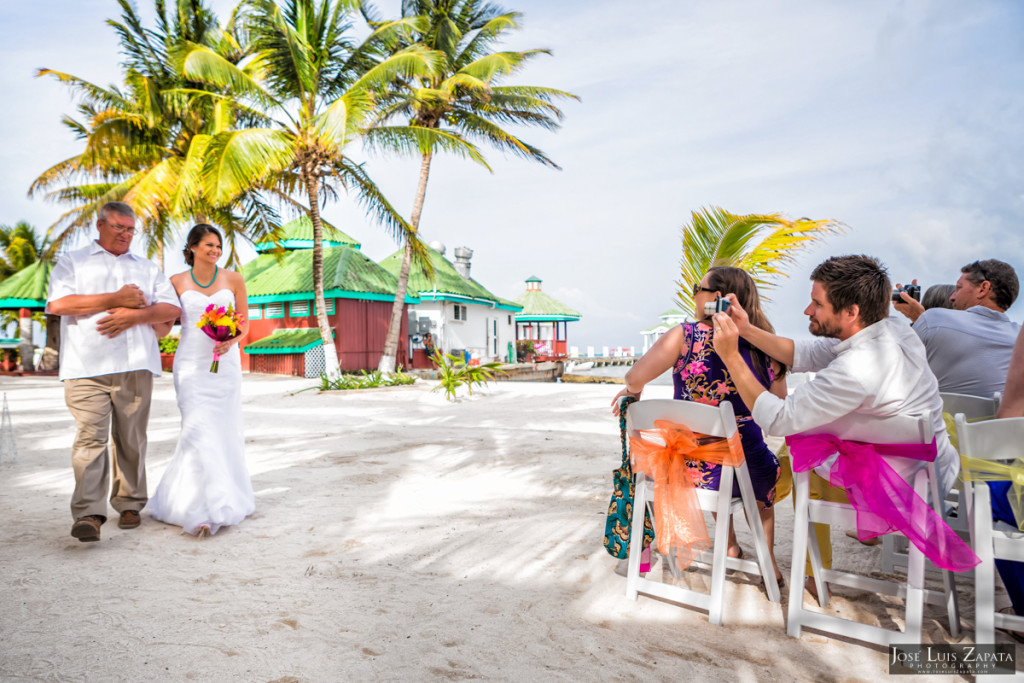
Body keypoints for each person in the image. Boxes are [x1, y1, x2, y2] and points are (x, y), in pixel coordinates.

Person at [711, 254, 960, 596]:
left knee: (804, 451)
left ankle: (780, 522)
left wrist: (730, 356)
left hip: (896, 493)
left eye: (817, 303)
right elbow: (809, 353)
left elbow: (778, 418)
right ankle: (767, 494)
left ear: (851, 312)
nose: (807, 311)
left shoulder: (855, 371)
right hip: (930, 470)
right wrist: (747, 330)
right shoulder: (892, 326)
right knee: (811, 440)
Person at [611, 266, 788, 584]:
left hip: (688, 468)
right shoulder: (766, 345)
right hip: (749, 471)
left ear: (716, 298)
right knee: (745, 465)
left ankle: (652, 559)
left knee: (701, 456)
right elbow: (778, 405)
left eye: (698, 288)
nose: (693, 294)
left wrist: (631, 390)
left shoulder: (686, 336)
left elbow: (633, 377)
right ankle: (767, 562)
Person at [46, 201, 181, 543]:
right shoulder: (72, 261)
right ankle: (89, 514)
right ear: (100, 225)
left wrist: (134, 315)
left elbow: (170, 308)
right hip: (85, 367)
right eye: (119, 227)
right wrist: (114, 299)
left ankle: (131, 503)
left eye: (131, 229)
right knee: (90, 440)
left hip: (135, 364)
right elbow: (58, 304)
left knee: (131, 439)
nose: (126, 234)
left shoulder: (148, 268)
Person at [147, 224, 255, 536]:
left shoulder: (233, 279)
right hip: (191, 366)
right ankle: (204, 506)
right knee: (197, 429)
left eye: (218, 246)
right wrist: (142, 319)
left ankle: (217, 502)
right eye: (208, 245)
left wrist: (231, 340)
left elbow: (244, 323)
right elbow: (165, 326)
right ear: (192, 247)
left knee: (223, 429)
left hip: (225, 365)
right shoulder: (176, 282)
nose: (215, 250)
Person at [893, 260, 1020, 396]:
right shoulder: (1020, 337)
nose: (952, 298)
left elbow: (888, 374)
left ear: (983, 289)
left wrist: (921, 320)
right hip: (1004, 417)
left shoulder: (933, 319)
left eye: (958, 288)